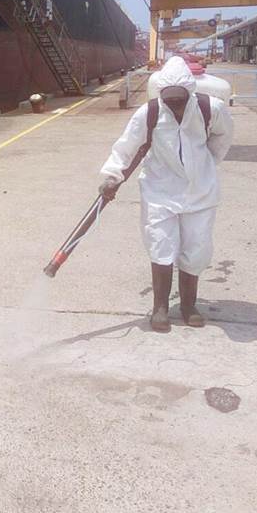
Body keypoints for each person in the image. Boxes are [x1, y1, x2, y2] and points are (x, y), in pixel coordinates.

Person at [99, 57, 234, 332]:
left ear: (190, 92)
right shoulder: (149, 113)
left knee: (197, 248)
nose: (174, 106)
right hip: (159, 189)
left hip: (200, 192)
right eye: (169, 100)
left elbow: (223, 138)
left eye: (179, 101)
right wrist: (112, 176)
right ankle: (160, 307)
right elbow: (126, 146)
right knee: (160, 244)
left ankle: (188, 306)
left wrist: (206, 164)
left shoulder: (211, 108)